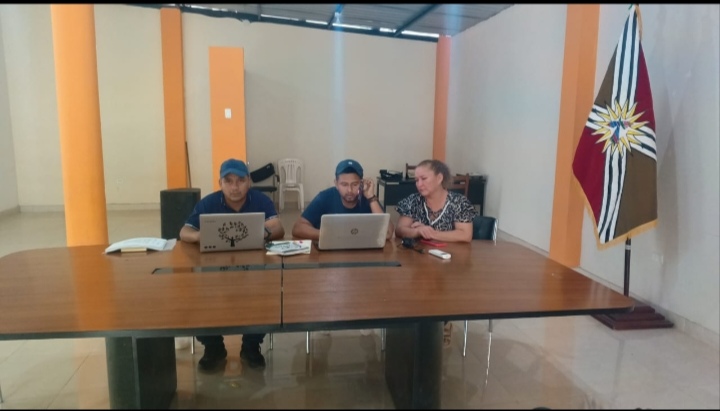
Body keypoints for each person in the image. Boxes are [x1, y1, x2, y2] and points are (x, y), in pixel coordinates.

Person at [179, 158, 285, 371]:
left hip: (254, 270)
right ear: (220, 183)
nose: (235, 187)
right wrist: (200, 236)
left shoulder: (261, 200)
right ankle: (214, 348)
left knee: (265, 300)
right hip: (215, 271)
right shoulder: (208, 203)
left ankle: (251, 346)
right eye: (228, 181)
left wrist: (263, 232)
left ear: (249, 182)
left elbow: (278, 227)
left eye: (240, 180)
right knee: (198, 301)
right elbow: (184, 232)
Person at [394, 159, 477, 347]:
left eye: (423, 178)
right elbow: (400, 230)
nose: (419, 184)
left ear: (439, 178)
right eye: (416, 180)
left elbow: (465, 235)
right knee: (413, 287)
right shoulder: (413, 201)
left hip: (449, 263)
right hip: (418, 262)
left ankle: (442, 322)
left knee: (440, 288)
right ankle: (415, 325)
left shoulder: (459, 202)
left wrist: (430, 232)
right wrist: (417, 231)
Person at [291, 159, 394, 241]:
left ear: (361, 183)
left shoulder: (368, 198)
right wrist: (326, 235)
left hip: (363, 253)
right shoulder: (325, 197)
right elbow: (298, 228)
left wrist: (371, 198)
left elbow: (388, 233)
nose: (349, 190)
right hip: (331, 253)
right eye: (344, 184)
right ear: (336, 184)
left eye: (355, 184)